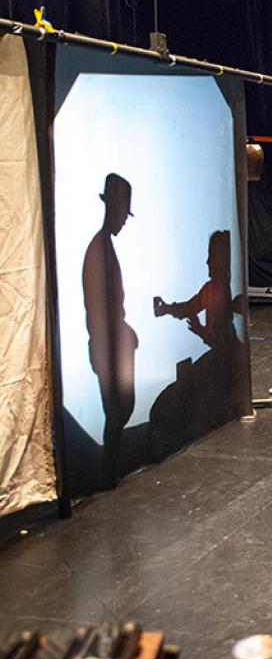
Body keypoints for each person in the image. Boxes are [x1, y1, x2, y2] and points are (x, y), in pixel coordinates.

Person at [83, 173, 138, 489]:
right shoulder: (98, 249)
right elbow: (99, 307)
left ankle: (110, 472)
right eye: (123, 212)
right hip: (107, 345)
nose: (124, 221)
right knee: (117, 408)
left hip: (112, 341)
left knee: (120, 407)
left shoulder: (103, 247)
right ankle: (107, 474)